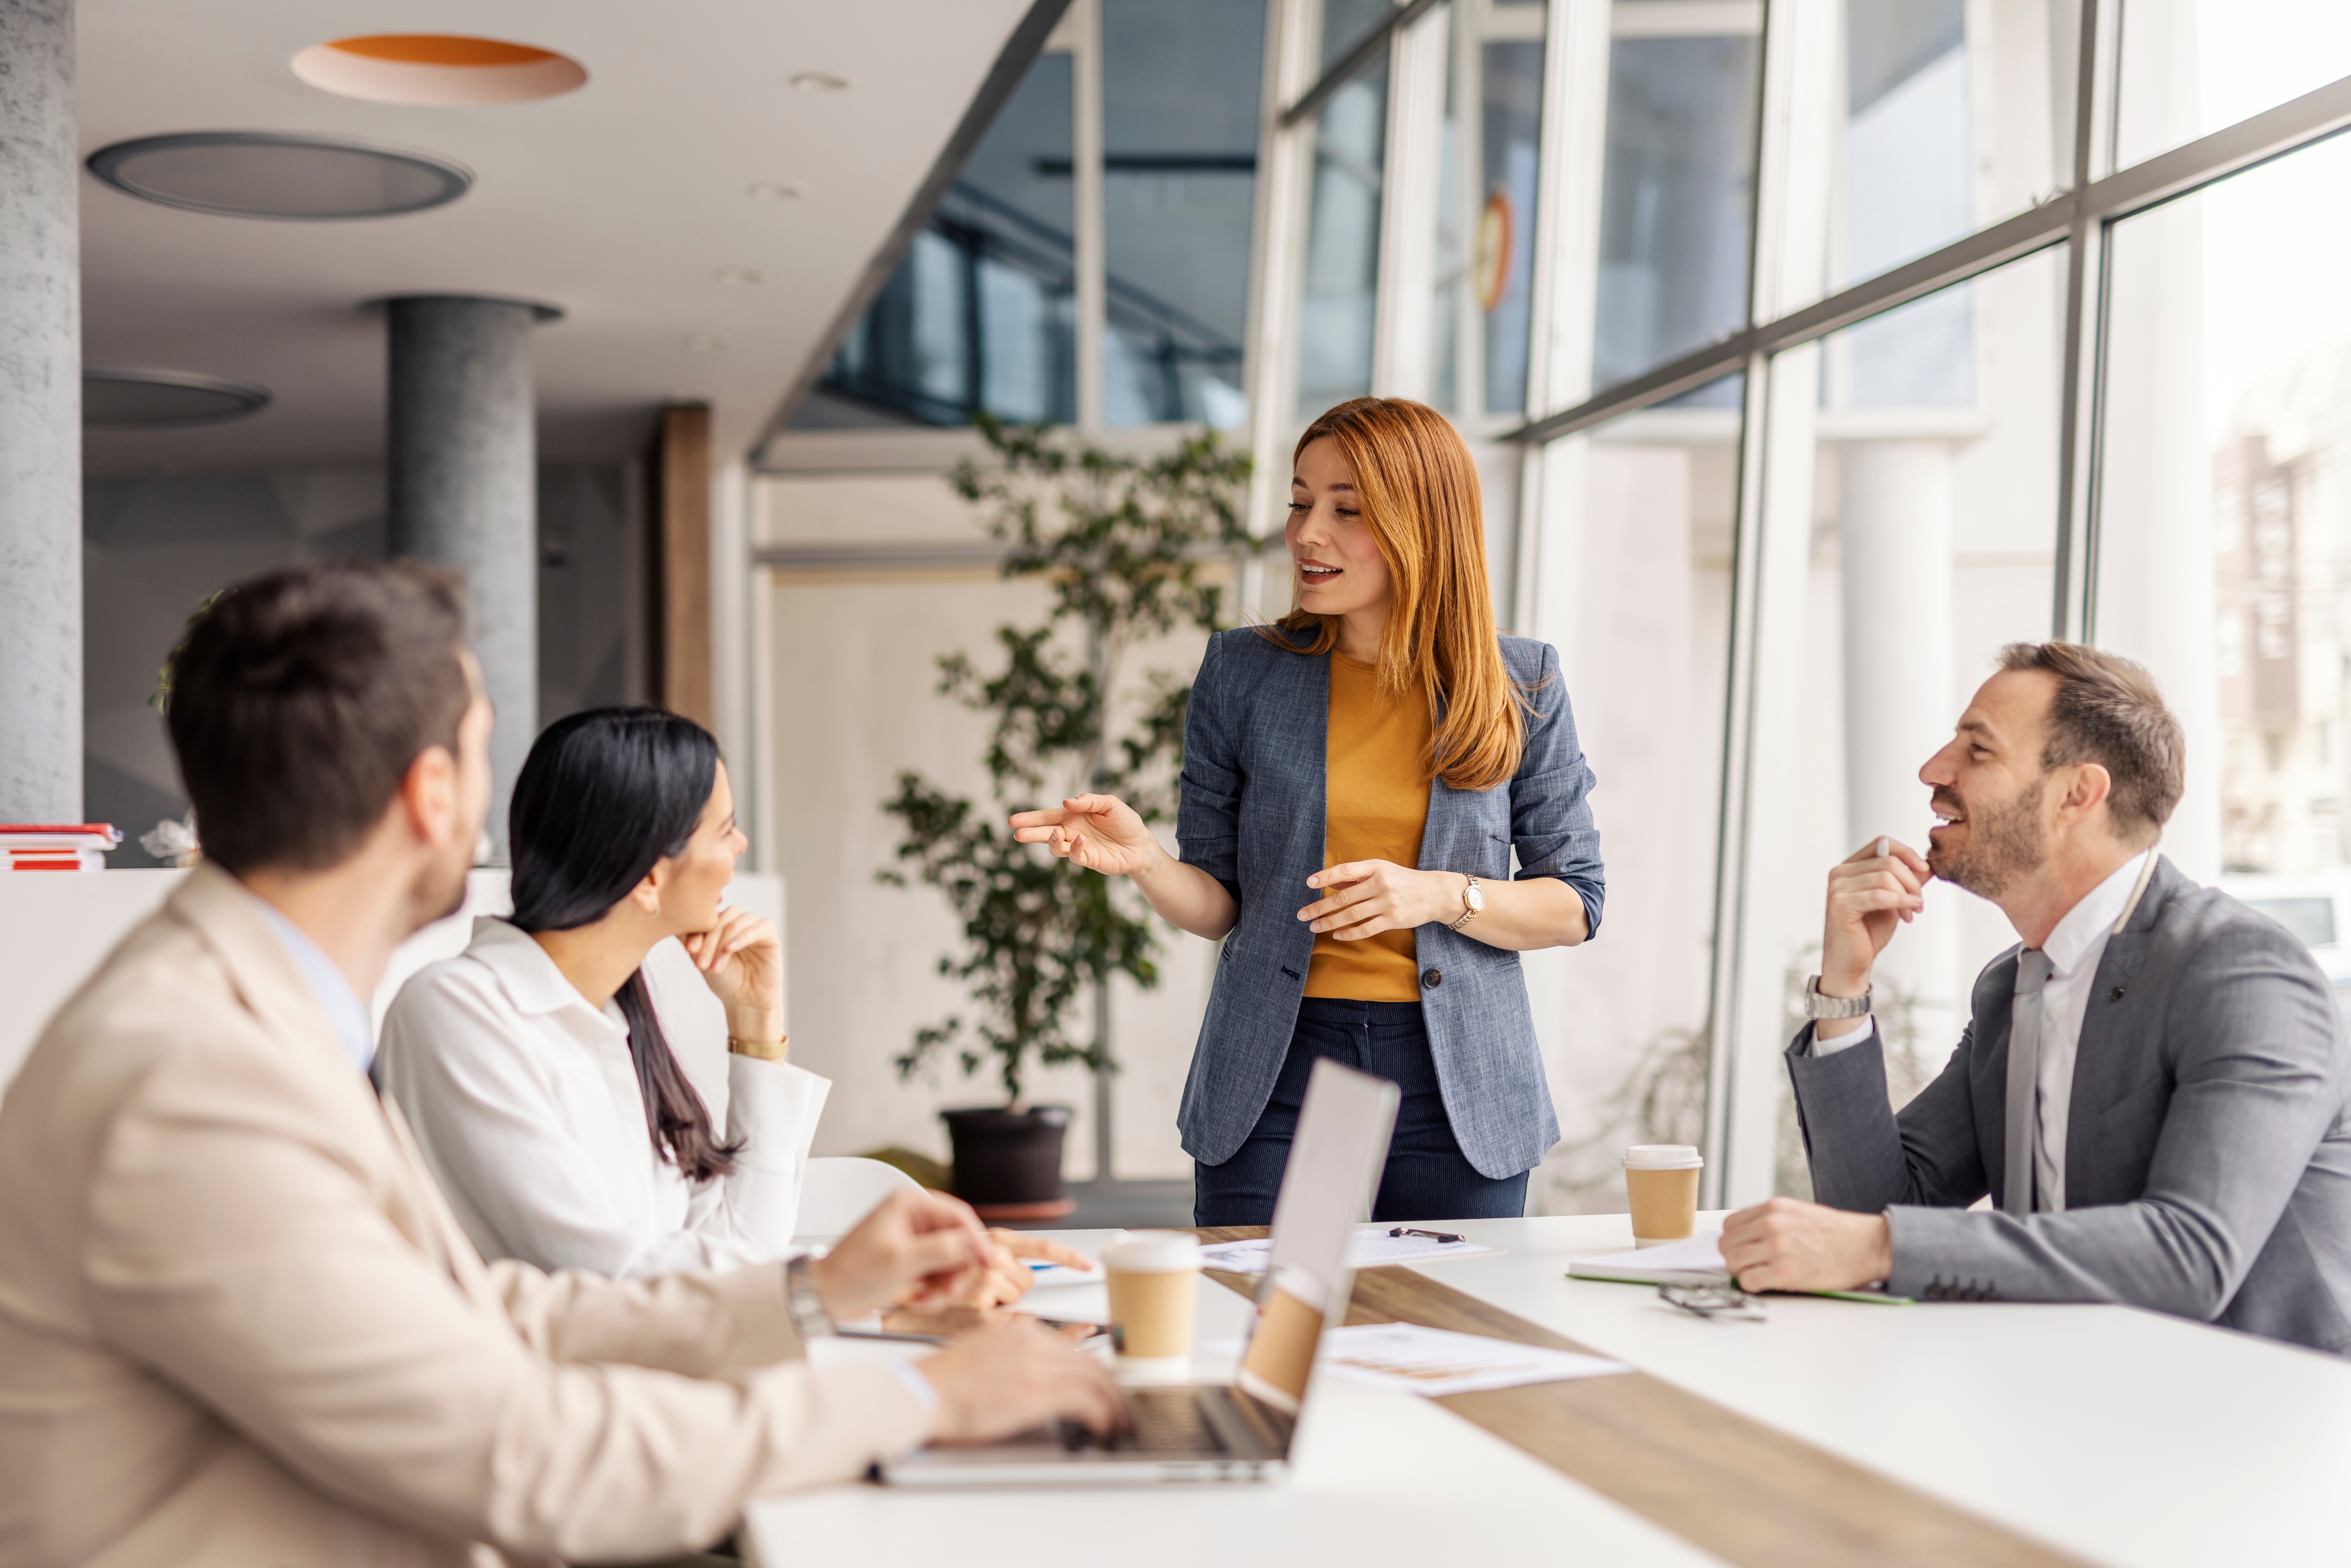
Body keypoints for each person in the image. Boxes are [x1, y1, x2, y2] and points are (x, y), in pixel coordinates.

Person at [0, 562, 1121, 1568]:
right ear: (431, 796)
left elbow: (486, 1311)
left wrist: (812, 1294)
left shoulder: (246, 1014)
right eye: (485, 761)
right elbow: (524, 1456)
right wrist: (909, 1401)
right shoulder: (190, 1079)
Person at [1012, 397, 1604, 1225]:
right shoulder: (1242, 672)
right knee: (1268, 1337)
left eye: (1345, 510)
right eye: (1299, 502)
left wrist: (1441, 895)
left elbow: (1575, 901)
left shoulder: (1522, 681)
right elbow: (1222, 907)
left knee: (1445, 1347)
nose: (1306, 533)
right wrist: (1145, 859)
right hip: (1279, 1071)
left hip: (1457, 1086)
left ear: (1421, 525)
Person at [1723, 642, 2351, 1353]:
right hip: (2065, 1402)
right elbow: (1874, 1210)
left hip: (2262, 1425)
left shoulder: (2240, 970)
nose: (1932, 771)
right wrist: (1844, 987)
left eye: (1978, 749)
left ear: (2077, 795)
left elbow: (2193, 1251)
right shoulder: (2010, 989)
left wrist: (1881, 1245)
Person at [376, 706, 1080, 1301]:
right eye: (724, 829)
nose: (741, 847)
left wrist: (756, 1028)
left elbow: (737, 1242)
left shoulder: (619, 1019)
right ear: (650, 876)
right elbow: (615, 1279)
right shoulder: (456, 1013)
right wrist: (843, 1279)